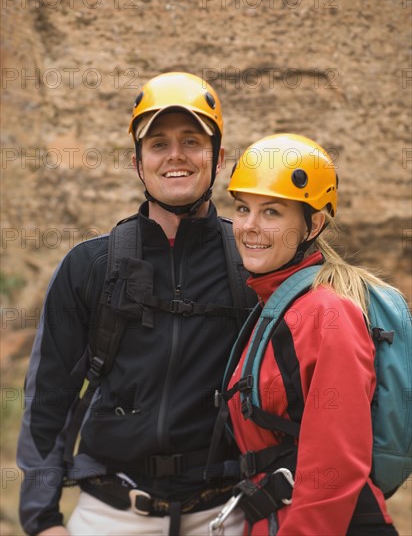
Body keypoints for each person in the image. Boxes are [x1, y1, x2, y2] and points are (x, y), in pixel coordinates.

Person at [17, 72, 255, 536]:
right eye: (158, 143)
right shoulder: (90, 265)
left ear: (219, 157)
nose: (176, 155)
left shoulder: (250, 265)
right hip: (111, 512)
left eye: (192, 140)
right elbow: (49, 396)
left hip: (222, 513)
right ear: (138, 163)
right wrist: (43, 520)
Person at [222, 133, 399, 535]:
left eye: (271, 213)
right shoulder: (276, 306)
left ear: (313, 224)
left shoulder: (327, 312)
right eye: (242, 208)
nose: (249, 226)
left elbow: (334, 468)